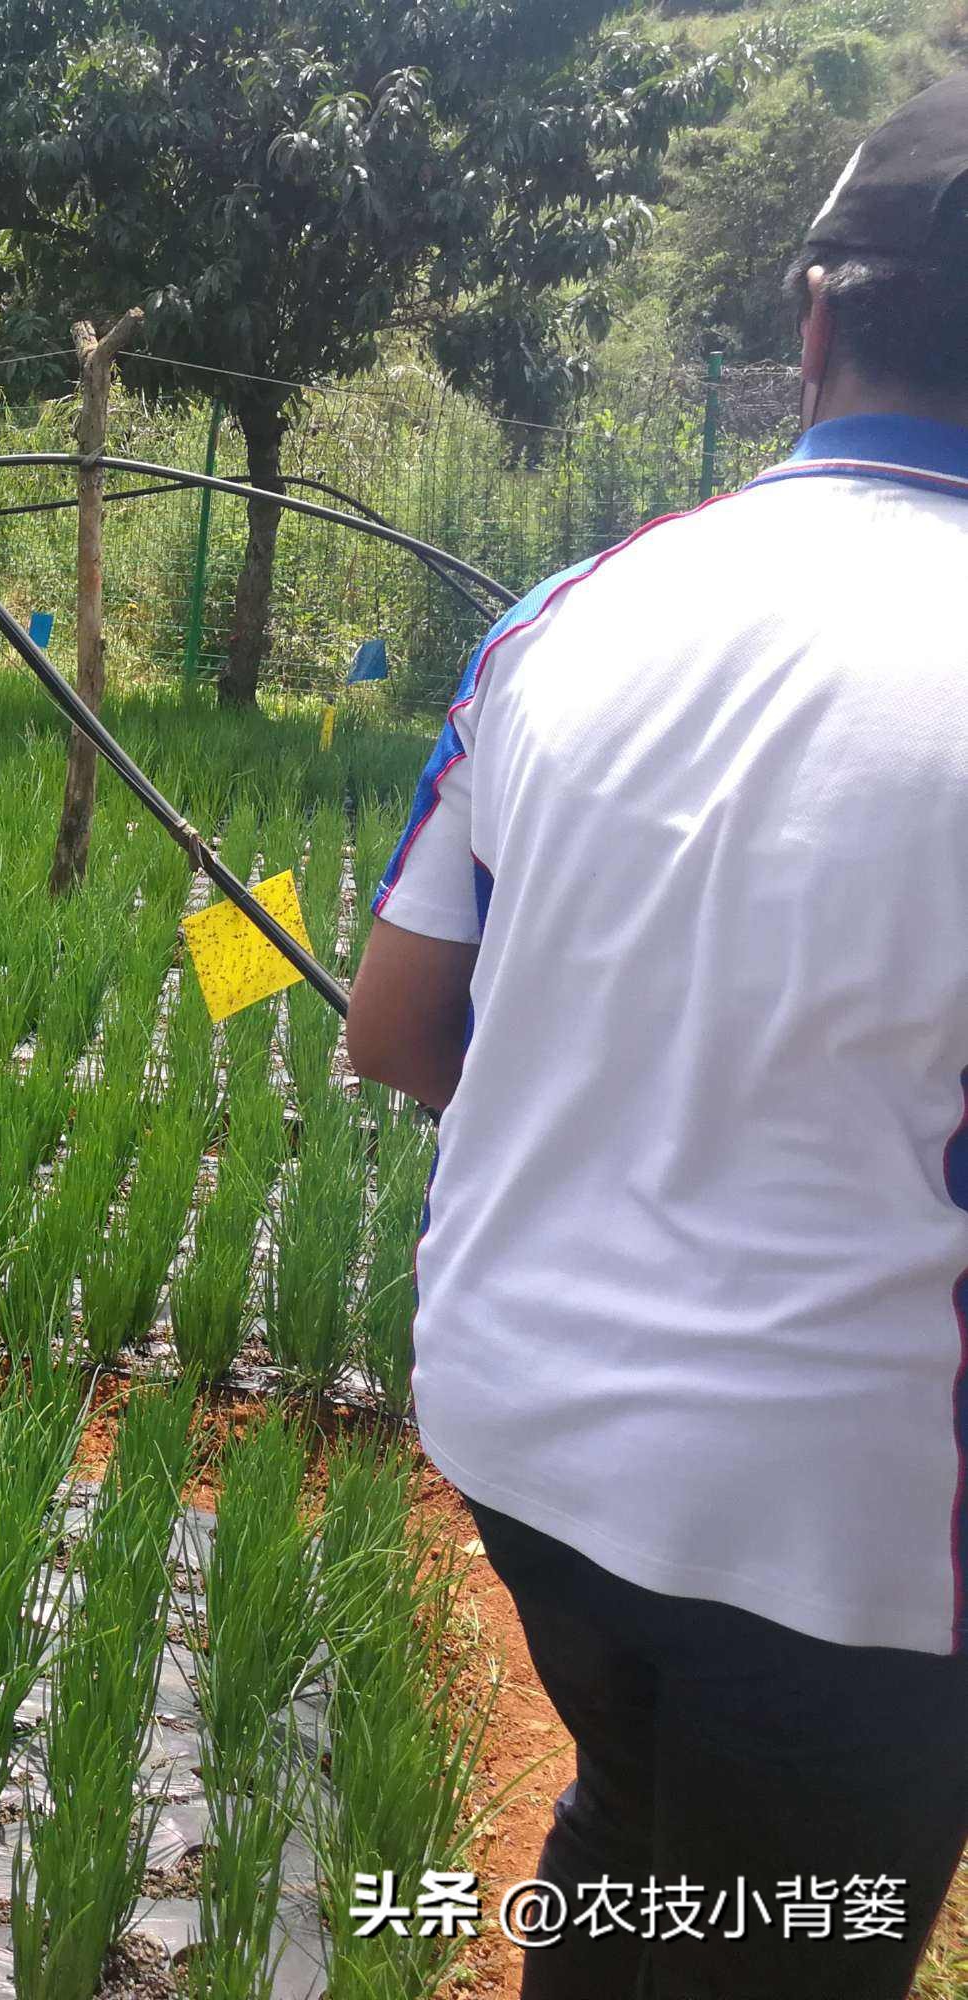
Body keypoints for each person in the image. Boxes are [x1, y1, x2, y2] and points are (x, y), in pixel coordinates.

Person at [349, 72, 968, 2000]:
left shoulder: (568, 610)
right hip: (846, 1534)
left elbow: (391, 1029)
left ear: (806, 320)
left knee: (629, 1821)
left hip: (526, 1433)